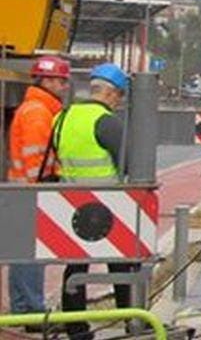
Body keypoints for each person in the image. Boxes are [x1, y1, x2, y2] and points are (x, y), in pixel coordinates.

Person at [54, 63, 139, 340]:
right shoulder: (106, 121)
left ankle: (75, 328)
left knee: (75, 266)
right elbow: (127, 161)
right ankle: (130, 319)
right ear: (112, 94)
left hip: (70, 202)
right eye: (118, 97)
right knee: (121, 264)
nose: (118, 103)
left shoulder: (63, 117)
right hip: (108, 202)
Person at [6, 56, 70, 329]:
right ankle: (32, 311)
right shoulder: (39, 112)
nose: (64, 86)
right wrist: (44, 187)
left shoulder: (35, 108)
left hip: (24, 188)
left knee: (23, 253)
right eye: (59, 80)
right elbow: (36, 157)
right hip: (33, 190)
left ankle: (23, 309)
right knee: (32, 254)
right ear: (45, 80)